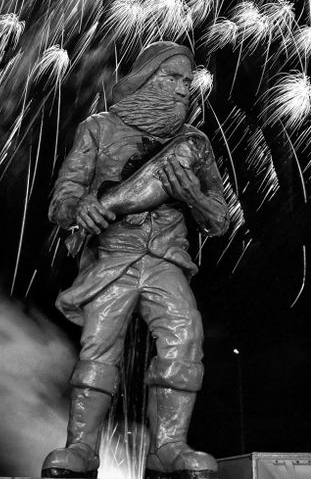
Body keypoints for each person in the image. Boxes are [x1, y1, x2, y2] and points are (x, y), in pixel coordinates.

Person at [42, 41, 230, 479]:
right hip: (113, 257)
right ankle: (82, 448)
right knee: (99, 346)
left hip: (166, 259)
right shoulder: (98, 129)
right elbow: (61, 201)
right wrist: (81, 207)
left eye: (188, 81)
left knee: (185, 336)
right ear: (147, 77)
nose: (185, 90)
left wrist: (190, 196)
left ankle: (168, 447)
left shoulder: (195, 143)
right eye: (174, 78)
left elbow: (218, 219)